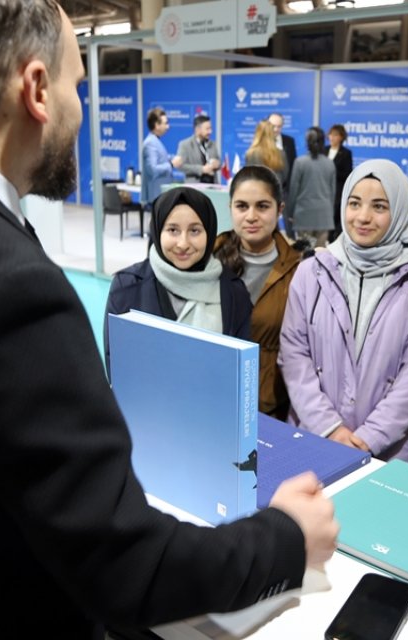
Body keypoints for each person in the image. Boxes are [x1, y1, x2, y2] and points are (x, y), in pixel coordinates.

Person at [0, 2, 337, 637]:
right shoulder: (11, 290)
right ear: (37, 90)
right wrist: (286, 540)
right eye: (76, 84)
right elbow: (128, 567)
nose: (82, 108)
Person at [279, 159, 408, 461]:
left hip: (387, 452)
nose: (363, 217)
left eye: (379, 206)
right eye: (354, 203)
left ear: (400, 212)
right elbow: (294, 354)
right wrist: (329, 428)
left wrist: (369, 438)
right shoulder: (311, 271)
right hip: (312, 438)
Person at [213, 166, 310, 420]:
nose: (251, 216)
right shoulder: (209, 260)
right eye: (242, 206)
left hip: (272, 408)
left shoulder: (300, 269)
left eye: (262, 206)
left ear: (279, 209)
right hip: (214, 398)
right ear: (230, 208)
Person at [106, 186, 251, 346]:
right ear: (158, 231)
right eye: (173, 230)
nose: (183, 244)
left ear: (209, 233)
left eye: (194, 231)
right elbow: (117, 360)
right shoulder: (127, 287)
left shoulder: (234, 293)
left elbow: (239, 362)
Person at [285, 127, 335, 248]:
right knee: (320, 254)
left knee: (305, 254)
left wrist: (290, 213)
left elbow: (293, 191)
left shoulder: (300, 162)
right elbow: (332, 193)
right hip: (324, 215)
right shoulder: (330, 163)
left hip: (304, 215)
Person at [142, 106, 182, 212]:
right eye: (165, 123)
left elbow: (161, 158)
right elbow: (152, 170)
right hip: (156, 195)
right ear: (156, 125)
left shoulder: (155, 141)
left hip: (161, 195)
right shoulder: (150, 143)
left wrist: (172, 158)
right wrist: (171, 164)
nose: (168, 127)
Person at [176, 113, 221, 184]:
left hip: (213, 186)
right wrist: (201, 169)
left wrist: (217, 164)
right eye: (207, 129)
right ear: (197, 129)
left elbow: (219, 162)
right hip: (194, 186)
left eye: (211, 128)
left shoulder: (212, 144)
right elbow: (180, 166)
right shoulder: (185, 144)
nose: (210, 131)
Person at [245, 120, 287, 195]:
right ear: (272, 134)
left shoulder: (251, 154)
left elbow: (248, 177)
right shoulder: (281, 153)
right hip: (274, 195)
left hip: (255, 194)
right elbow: (284, 176)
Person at [327, 124, 353, 242]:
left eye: (335, 135)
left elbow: (347, 173)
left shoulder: (346, 153)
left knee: (335, 217)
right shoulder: (324, 150)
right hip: (323, 189)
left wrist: (332, 171)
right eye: (331, 134)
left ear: (341, 137)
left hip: (337, 191)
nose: (332, 137)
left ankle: (334, 240)